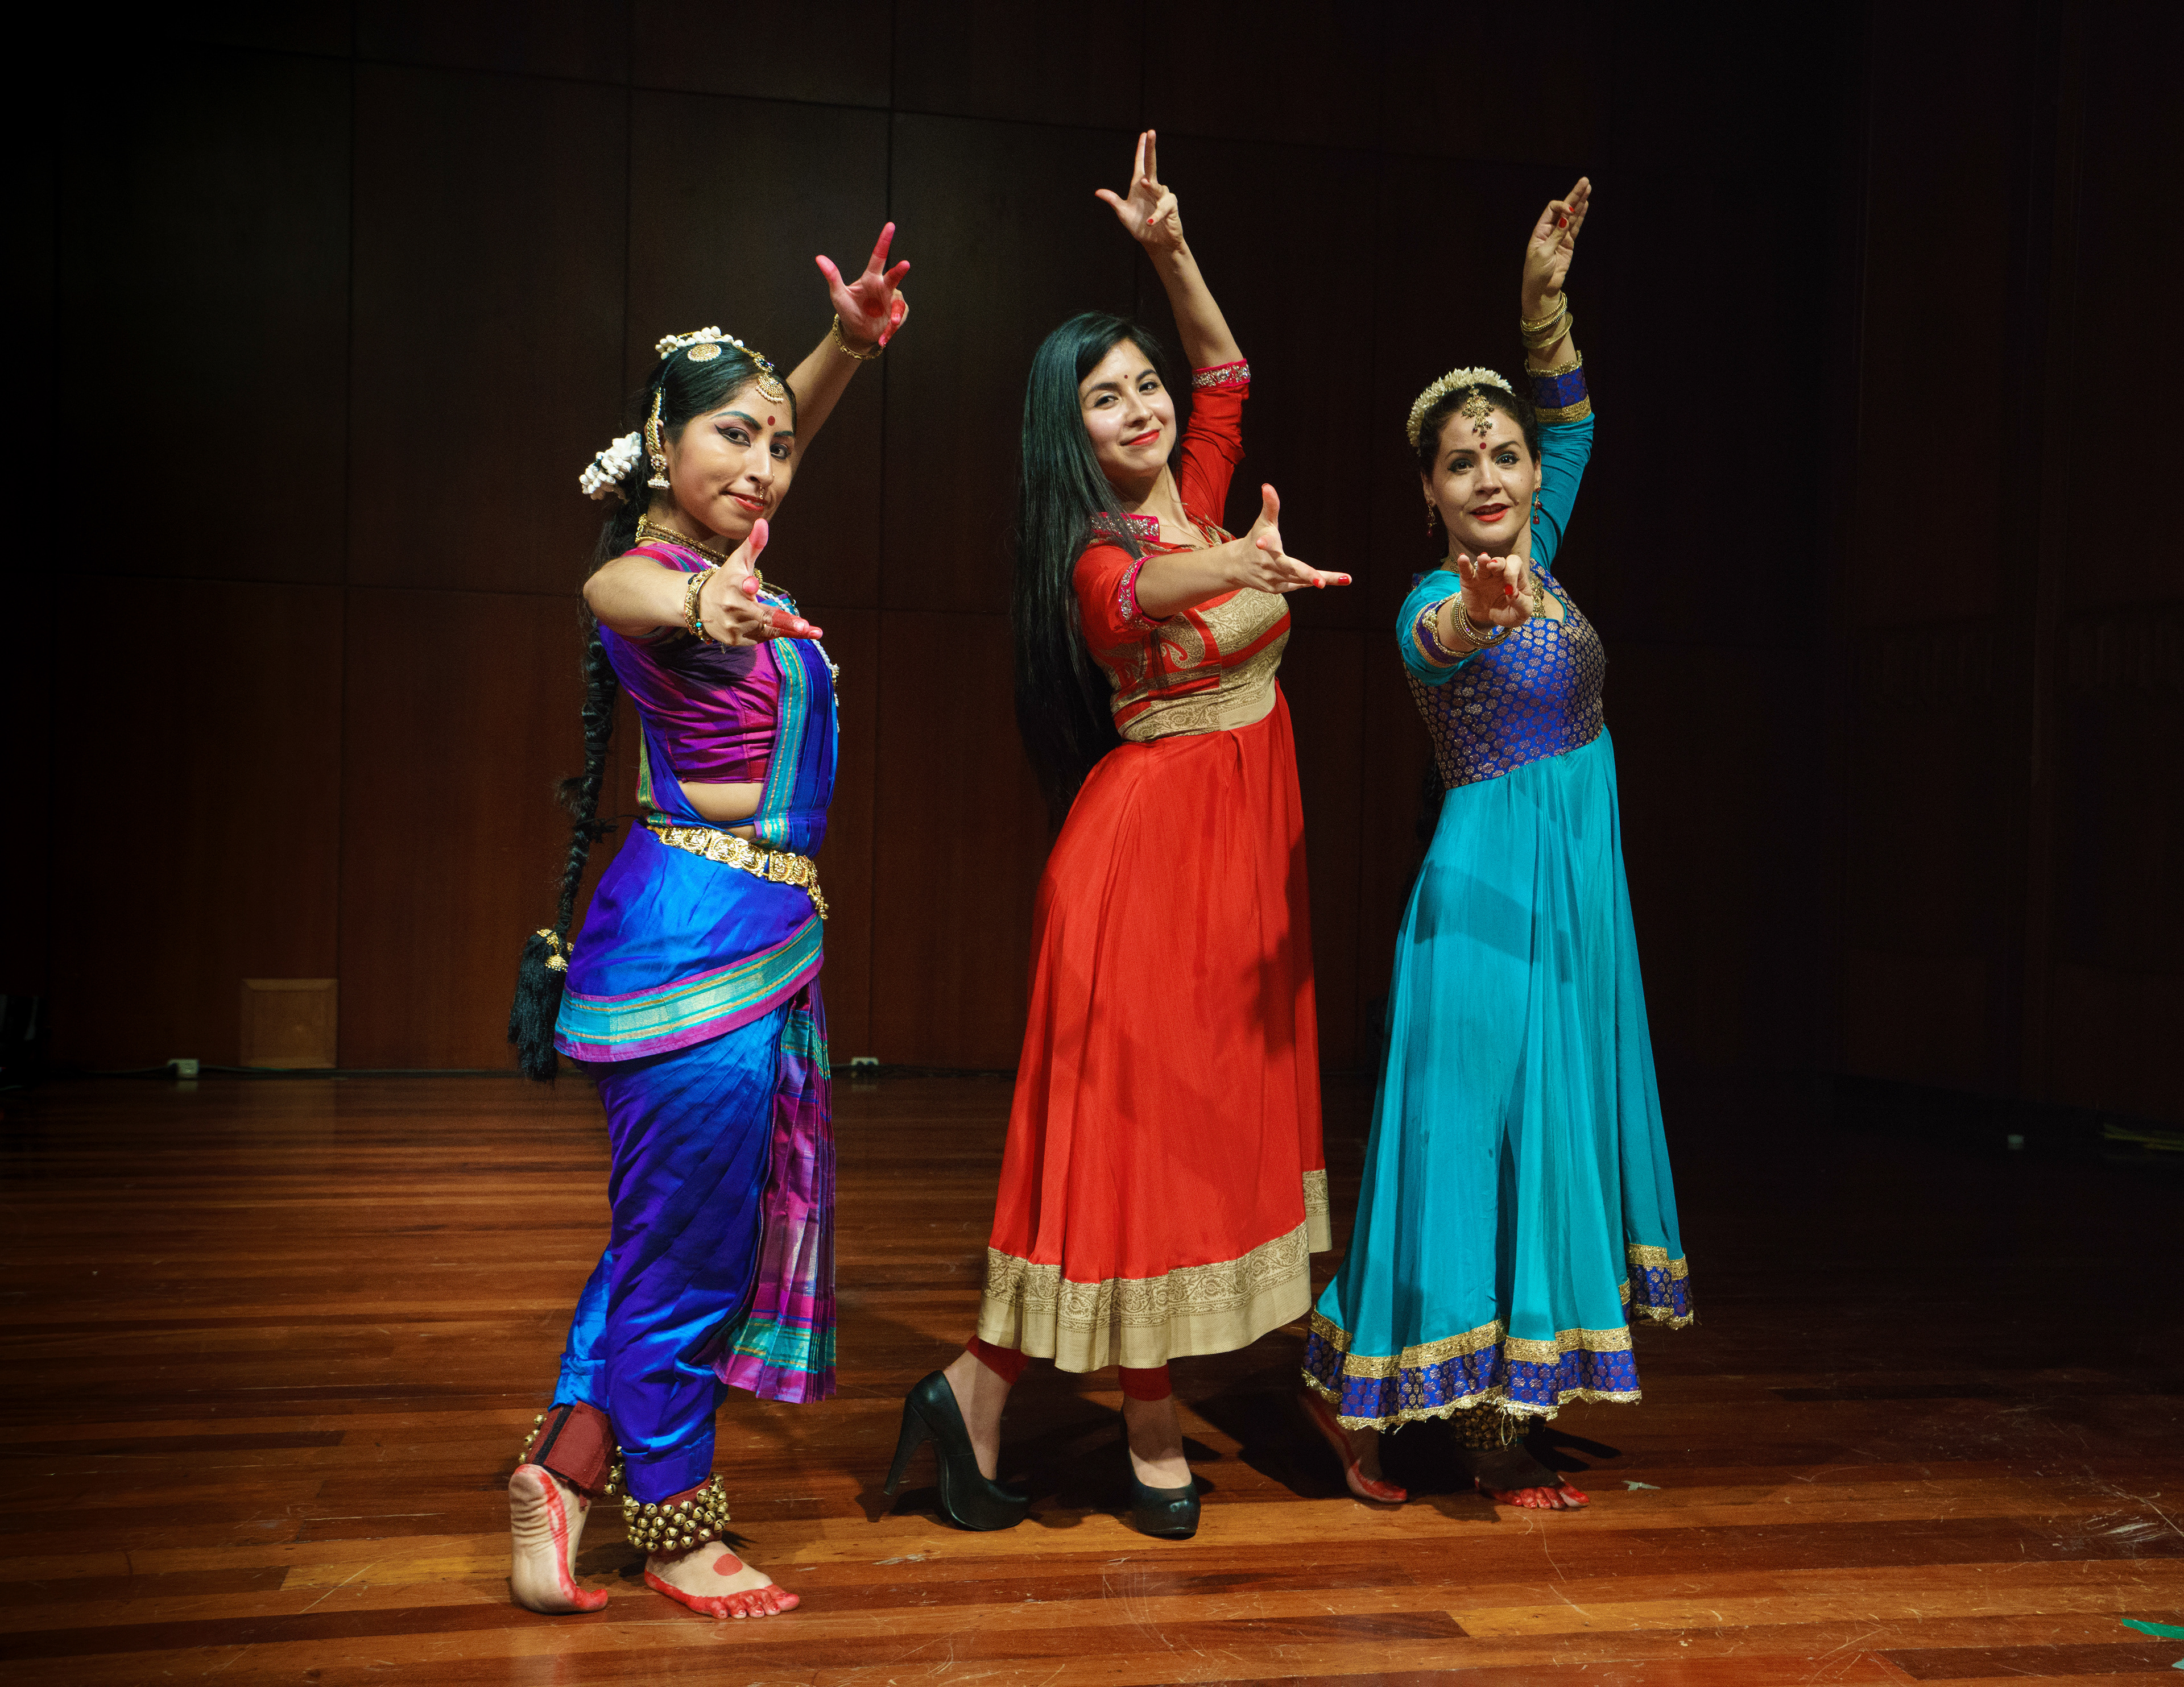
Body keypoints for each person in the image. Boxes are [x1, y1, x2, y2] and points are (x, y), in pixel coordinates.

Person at [883, 132, 1349, 1541]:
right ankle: (1144, 1425)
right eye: (1106, 395)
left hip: (1233, 872)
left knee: (1183, 1146)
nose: (1141, 405)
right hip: (1143, 870)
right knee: (1136, 1152)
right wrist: (1235, 562)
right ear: (1070, 431)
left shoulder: (1195, 482)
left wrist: (1170, 250)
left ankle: (972, 1394)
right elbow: (1136, 602)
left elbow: (1226, 371)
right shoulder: (1099, 553)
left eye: (1143, 383)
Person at [502, 227, 909, 1617]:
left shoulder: (734, 544)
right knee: (689, 1256)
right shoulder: (663, 579)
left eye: (779, 448)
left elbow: (757, 438)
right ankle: (674, 1524)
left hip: (744, 944)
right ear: (659, 448)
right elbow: (612, 587)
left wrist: (843, 349)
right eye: (733, 438)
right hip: (700, 953)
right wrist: (694, 599)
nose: (764, 465)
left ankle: (561, 1478)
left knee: (668, 1236)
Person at [1302, 180, 1691, 1511]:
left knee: (1537, 1138)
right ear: (1430, 493)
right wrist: (1476, 614)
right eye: (1462, 464)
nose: (1491, 477)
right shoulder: (1439, 593)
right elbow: (1437, 643)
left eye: (1505, 457)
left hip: (1570, 903)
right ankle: (1475, 1425)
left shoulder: (1547, 544)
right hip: (1483, 909)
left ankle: (1396, 1380)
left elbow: (1574, 420)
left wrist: (1541, 304)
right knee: (1472, 1140)